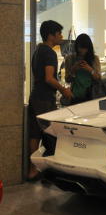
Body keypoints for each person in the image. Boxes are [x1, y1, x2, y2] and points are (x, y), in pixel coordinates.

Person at [27, 20, 73, 180]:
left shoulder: (38, 50)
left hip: (35, 96)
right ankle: (51, 171)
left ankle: (32, 170)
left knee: (34, 134)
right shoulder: (49, 53)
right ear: (50, 35)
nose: (61, 36)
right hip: (45, 98)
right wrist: (64, 89)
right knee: (51, 134)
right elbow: (49, 78)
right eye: (59, 33)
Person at [63, 33, 102, 104]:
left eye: (84, 48)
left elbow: (98, 79)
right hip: (75, 96)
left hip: (91, 95)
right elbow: (67, 80)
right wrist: (74, 69)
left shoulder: (94, 59)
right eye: (79, 47)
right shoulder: (70, 59)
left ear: (88, 48)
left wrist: (90, 69)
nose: (81, 50)